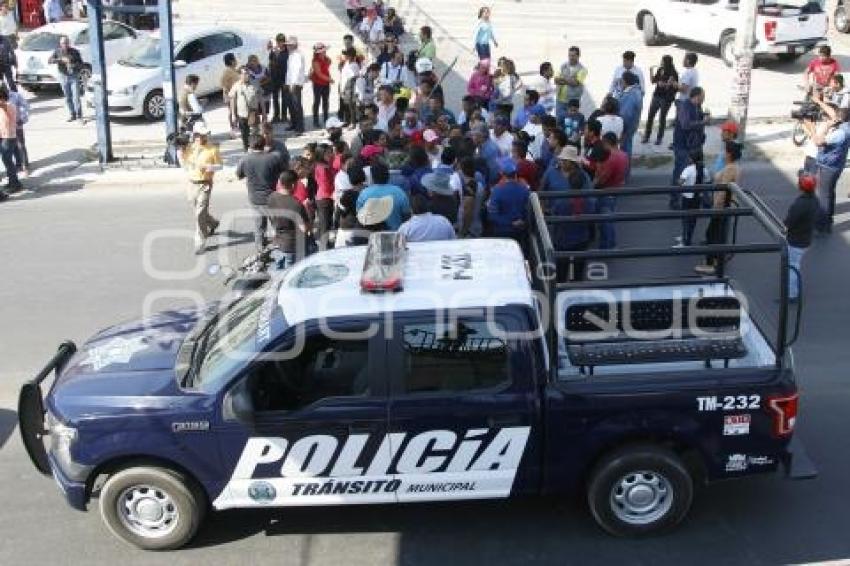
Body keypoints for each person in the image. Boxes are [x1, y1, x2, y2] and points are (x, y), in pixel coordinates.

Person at [695, 140, 742, 275]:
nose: (723, 154)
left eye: (725, 151)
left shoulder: (729, 169)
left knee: (712, 234)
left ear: (729, 154)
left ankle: (711, 263)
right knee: (717, 234)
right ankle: (715, 260)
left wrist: (715, 208)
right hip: (726, 206)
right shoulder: (735, 167)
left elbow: (723, 191)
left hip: (721, 207)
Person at [801, 106, 850, 234]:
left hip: (828, 166)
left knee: (823, 196)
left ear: (839, 119)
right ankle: (827, 221)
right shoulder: (845, 129)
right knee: (829, 193)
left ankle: (821, 225)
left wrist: (812, 128)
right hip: (835, 166)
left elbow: (818, 141)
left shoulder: (840, 133)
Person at [550, 146, 594, 282]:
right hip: (581, 238)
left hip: (563, 239)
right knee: (578, 271)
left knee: (561, 272)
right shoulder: (589, 202)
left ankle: (561, 294)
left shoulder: (561, 202)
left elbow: (555, 220)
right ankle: (577, 293)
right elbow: (591, 219)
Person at [236, 135, 284, 251]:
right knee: (278, 226)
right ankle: (281, 248)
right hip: (272, 198)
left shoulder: (245, 159)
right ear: (264, 145)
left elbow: (239, 175)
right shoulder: (274, 158)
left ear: (250, 145)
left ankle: (260, 252)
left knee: (259, 228)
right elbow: (283, 173)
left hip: (255, 199)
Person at [180, 123, 222, 254]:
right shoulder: (189, 148)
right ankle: (213, 223)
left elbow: (220, 166)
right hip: (192, 184)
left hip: (205, 184)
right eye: (200, 135)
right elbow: (184, 164)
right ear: (195, 135)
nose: (203, 137)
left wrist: (210, 167)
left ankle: (200, 242)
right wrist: (180, 152)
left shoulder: (212, 149)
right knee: (199, 211)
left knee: (199, 213)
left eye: (204, 135)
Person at [783, 173, 819, 302]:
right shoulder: (815, 201)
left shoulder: (800, 204)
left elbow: (789, 221)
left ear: (800, 186)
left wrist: (785, 226)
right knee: (795, 264)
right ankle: (793, 291)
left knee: (792, 266)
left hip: (796, 240)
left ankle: (792, 294)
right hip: (806, 238)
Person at [670, 86, 709, 205]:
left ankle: (702, 198)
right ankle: (675, 199)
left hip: (695, 146)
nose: (704, 99)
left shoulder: (696, 106)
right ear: (697, 96)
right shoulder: (685, 107)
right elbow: (686, 124)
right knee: (681, 172)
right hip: (684, 146)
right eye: (703, 97)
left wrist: (703, 116)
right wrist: (703, 122)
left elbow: (695, 119)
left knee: (699, 171)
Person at [268, 169, 311, 267]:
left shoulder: (271, 197)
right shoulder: (296, 204)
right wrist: (307, 210)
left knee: (279, 271)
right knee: (290, 274)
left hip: (278, 242)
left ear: (280, 182)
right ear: (293, 185)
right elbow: (304, 228)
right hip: (292, 245)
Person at [593, 132, 628, 249]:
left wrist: (592, 186)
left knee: (605, 220)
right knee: (609, 217)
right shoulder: (624, 155)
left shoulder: (611, 159)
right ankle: (610, 243)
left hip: (606, 191)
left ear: (606, 142)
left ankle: (606, 246)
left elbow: (602, 179)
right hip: (616, 189)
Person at [356, 162, 411, 230]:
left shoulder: (364, 194)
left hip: (371, 236)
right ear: (388, 175)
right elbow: (407, 217)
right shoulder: (399, 192)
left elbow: (360, 217)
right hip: (395, 235)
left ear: (372, 177)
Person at [486, 157, 529, 240]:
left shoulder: (497, 190)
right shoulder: (524, 190)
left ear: (503, 175)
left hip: (502, 232)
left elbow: (492, 215)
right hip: (520, 232)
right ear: (515, 174)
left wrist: (510, 223)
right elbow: (528, 211)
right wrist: (521, 221)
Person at [676, 149, 710, 247]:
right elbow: (708, 180)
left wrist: (678, 181)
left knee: (685, 218)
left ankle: (685, 240)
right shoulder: (704, 169)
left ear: (691, 159)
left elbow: (680, 182)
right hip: (697, 197)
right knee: (693, 219)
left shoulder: (688, 169)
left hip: (687, 197)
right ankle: (687, 237)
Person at [643, 54, 678, 145]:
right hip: (657, 95)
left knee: (662, 118)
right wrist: (651, 71)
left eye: (662, 61)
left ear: (666, 62)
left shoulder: (673, 73)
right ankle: (647, 135)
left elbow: (668, 86)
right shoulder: (660, 70)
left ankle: (659, 138)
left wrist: (663, 84)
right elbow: (653, 81)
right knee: (650, 116)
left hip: (666, 98)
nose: (661, 62)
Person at [48, 36, 83, 122]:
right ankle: (72, 114)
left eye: (67, 43)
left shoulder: (74, 52)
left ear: (69, 43)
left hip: (73, 76)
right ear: (60, 44)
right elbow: (49, 61)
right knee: (68, 97)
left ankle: (79, 116)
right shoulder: (57, 51)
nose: (65, 45)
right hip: (63, 76)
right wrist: (60, 60)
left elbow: (81, 64)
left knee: (76, 97)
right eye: (63, 43)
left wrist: (73, 65)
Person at [229, 67, 263, 151]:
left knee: (255, 132)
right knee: (244, 133)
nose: (246, 76)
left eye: (247, 74)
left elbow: (261, 99)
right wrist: (233, 114)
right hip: (242, 114)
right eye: (244, 74)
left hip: (253, 113)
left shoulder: (255, 83)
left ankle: (256, 147)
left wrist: (264, 113)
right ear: (240, 75)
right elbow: (232, 100)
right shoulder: (236, 85)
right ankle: (246, 148)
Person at [555, 46, 587, 126]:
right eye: (569, 55)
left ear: (578, 56)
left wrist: (563, 79)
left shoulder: (582, 69)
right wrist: (569, 79)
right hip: (560, 100)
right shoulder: (563, 66)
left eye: (573, 55)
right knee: (559, 122)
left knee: (571, 124)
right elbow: (556, 80)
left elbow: (576, 83)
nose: (571, 57)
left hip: (573, 101)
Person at [617, 71, 643, 164]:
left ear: (625, 81)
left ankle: (624, 175)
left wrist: (621, 128)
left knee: (625, 150)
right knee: (627, 148)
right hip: (631, 125)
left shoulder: (631, 94)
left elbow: (626, 114)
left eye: (622, 81)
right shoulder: (635, 91)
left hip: (627, 126)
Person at [284, 36, 306, 133]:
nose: (287, 46)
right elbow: (290, 71)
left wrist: (293, 84)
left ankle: (300, 127)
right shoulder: (292, 54)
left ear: (293, 45)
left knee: (296, 106)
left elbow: (297, 71)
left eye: (289, 45)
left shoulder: (297, 55)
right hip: (290, 83)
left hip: (295, 84)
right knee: (291, 105)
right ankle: (293, 124)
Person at [309, 43, 333, 129]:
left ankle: (326, 119)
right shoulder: (315, 61)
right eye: (323, 51)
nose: (325, 51)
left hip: (325, 83)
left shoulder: (325, 58)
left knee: (326, 102)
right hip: (318, 84)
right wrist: (329, 79)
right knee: (317, 102)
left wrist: (327, 80)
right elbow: (319, 74)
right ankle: (316, 120)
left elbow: (329, 62)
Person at [7, 87, 29, 177]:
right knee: (8, 148)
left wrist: (22, 118)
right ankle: (17, 165)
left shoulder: (15, 95)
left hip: (16, 124)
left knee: (20, 145)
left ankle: (25, 166)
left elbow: (25, 106)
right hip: (4, 127)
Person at [0, 86, 18, 192]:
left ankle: (15, 184)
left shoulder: (9, 106)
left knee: (7, 160)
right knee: (6, 160)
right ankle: (13, 181)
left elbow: (6, 110)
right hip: (2, 136)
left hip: (8, 137)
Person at [268, 33, 288, 123]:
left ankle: (284, 116)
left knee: (284, 98)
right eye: (279, 41)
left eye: (282, 41)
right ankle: (276, 116)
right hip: (274, 79)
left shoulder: (288, 52)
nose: (280, 43)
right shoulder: (273, 52)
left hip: (284, 79)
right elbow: (271, 64)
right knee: (275, 98)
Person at [220, 54, 241, 136]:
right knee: (232, 112)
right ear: (231, 61)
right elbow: (223, 84)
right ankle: (233, 128)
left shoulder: (233, 70)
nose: (236, 61)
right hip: (231, 96)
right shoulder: (227, 71)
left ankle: (236, 127)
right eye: (235, 59)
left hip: (236, 95)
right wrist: (228, 95)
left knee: (236, 111)